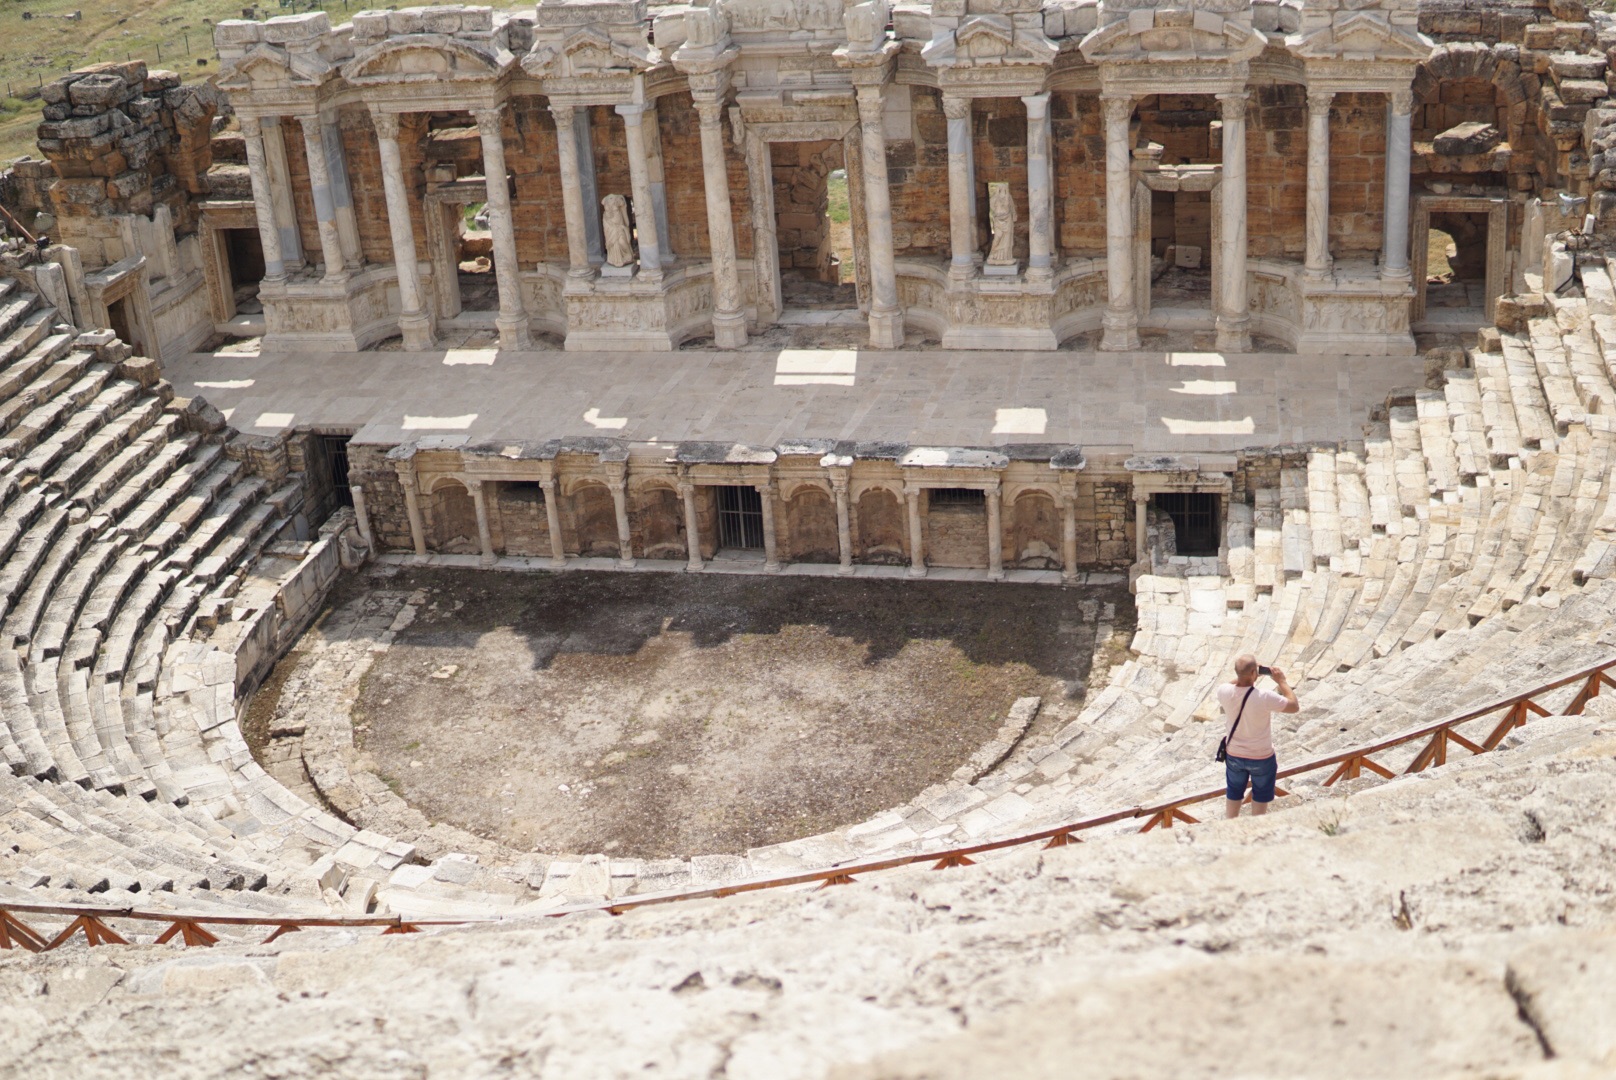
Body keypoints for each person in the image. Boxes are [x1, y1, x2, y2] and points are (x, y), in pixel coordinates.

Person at [1217, 654, 1298, 818]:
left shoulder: (1223, 692)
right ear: (1255, 673)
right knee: (1261, 793)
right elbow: (1294, 706)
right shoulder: (1265, 697)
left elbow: (1233, 683)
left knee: (1234, 790)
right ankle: (1257, 823)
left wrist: (1248, 674)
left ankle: (1230, 822)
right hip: (1261, 756)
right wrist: (1281, 681)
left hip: (1234, 755)